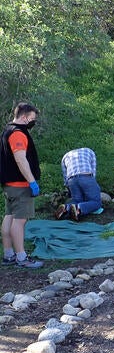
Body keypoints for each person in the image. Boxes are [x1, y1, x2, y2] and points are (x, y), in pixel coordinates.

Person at [0, 103, 43, 269]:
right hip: (20, 185)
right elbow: (20, 159)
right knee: (20, 221)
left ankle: (8, 254)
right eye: (32, 119)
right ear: (24, 117)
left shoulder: (7, 131)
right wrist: (31, 181)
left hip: (8, 185)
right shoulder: (18, 134)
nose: (33, 122)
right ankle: (21, 257)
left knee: (9, 217)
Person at [55, 148, 102, 221]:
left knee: (77, 200)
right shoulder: (90, 151)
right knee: (96, 202)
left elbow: (65, 175)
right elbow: (93, 171)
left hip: (71, 179)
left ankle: (66, 207)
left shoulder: (66, 156)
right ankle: (79, 208)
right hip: (86, 176)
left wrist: (68, 186)